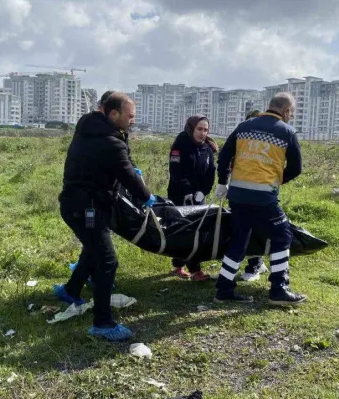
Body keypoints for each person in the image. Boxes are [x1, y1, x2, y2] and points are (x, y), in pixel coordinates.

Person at [55, 93, 154, 341]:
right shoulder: (111, 142)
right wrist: (147, 197)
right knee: (107, 262)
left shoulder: (91, 129)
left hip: (78, 204)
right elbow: (129, 176)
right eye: (130, 116)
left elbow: (120, 165)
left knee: (93, 249)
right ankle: (102, 322)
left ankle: (71, 290)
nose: (133, 120)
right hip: (87, 210)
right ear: (113, 114)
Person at [213, 92, 306, 305]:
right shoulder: (287, 132)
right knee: (282, 235)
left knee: (239, 239)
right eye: (292, 112)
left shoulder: (244, 126)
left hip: (236, 195)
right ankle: (279, 289)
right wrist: (277, 181)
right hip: (264, 197)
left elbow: (225, 155)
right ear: (286, 111)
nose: (291, 116)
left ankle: (224, 289)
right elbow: (296, 168)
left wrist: (222, 181)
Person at [166, 115, 217, 281]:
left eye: (205, 130)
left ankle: (179, 265)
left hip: (198, 197)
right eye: (199, 129)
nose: (203, 133)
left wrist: (204, 191)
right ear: (191, 128)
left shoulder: (207, 149)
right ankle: (194, 270)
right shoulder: (180, 145)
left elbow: (210, 173)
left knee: (196, 230)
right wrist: (187, 190)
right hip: (180, 196)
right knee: (185, 231)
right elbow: (175, 171)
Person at [238, 109, 269, 282]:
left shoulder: (267, 146)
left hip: (261, 195)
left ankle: (255, 265)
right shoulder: (242, 143)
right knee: (244, 230)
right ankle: (257, 261)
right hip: (242, 195)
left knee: (258, 230)